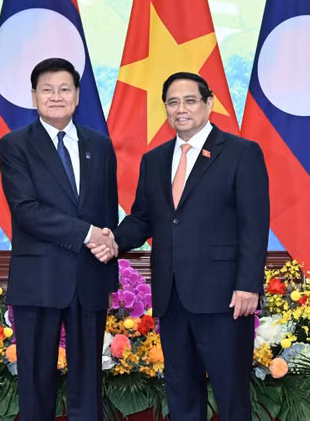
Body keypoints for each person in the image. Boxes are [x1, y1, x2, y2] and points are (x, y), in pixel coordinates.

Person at [92, 72, 270, 420]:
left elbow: (254, 224)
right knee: (182, 396)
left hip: (225, 299)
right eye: (173, 102)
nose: (181, 109)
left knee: (232, 398)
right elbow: (143, 218)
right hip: (172, 298)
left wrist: (248, 284)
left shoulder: (241, 153)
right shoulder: (155, 159)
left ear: (209, 103)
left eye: (190, 100)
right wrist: (112, 240)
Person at [0, 57, 118, 421]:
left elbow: (105, 209)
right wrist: (88, 234)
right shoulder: (15, 145)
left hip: (89, 278)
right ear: (34, 96)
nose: (56, 96)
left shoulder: (100, 145)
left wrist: (108, 242)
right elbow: (26, 211)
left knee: (88, 384)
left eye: (64, 89)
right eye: (47, 90)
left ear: (77, 96)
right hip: (39, 281)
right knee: (36, 382)